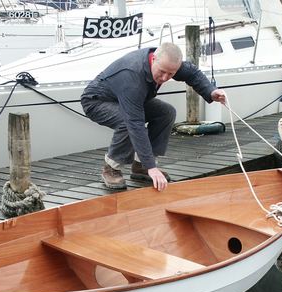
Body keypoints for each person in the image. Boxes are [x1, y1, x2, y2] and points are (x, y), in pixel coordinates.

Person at [81, 42, 226, 191]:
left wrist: (210, 91)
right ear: (154, 59)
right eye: (162, 72)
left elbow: (192, 73)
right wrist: (152, 167)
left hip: (129, 98)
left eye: (171, 74)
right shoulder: (132, 76)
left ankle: (140, 166)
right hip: (97, 101)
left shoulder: (167, 63)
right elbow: (135, 124)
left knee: (166, 113)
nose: (164, 78)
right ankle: (111, 168)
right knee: (127, 122)